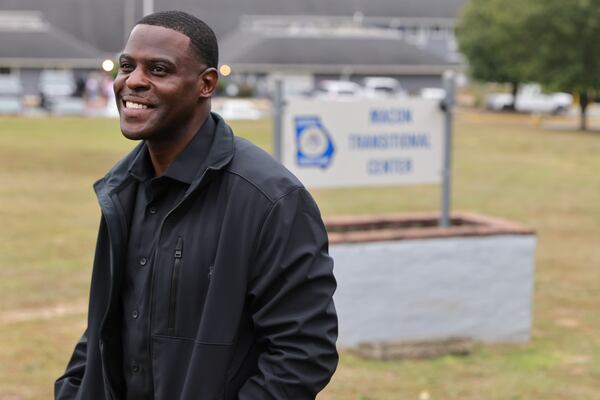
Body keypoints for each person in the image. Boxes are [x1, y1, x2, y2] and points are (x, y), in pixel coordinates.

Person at [55, 10, 338, 400]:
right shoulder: (124, 189)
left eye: (158, 69)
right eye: (126, 66)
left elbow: (304, 354)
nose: (133, 81)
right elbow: (108, 323)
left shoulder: (270, 199)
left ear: (205, 84)